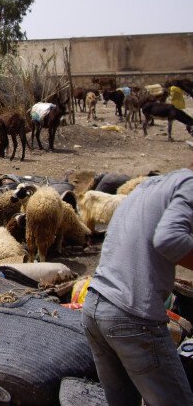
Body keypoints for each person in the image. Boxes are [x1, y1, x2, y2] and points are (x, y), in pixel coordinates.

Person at [82, 167, 193, 405]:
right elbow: (169, 239)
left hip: (95, 306)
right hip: (132, 317)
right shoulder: (189, 185)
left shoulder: (145, 189)